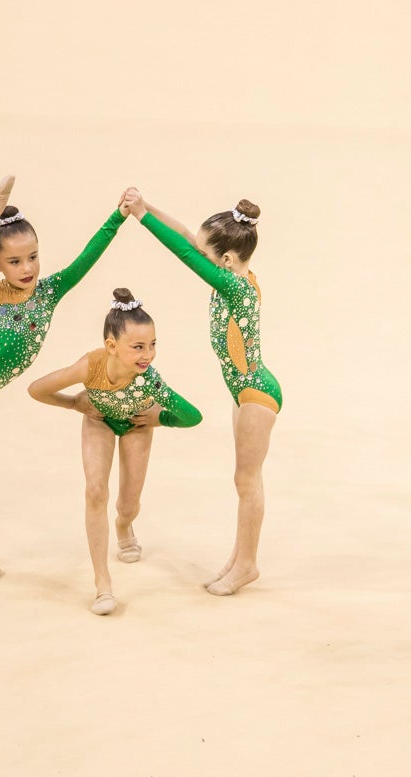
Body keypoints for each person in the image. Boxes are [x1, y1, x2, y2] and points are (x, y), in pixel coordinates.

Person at [0, 178, 127, 579]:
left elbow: (87, 258)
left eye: (33, 257)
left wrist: (118, 217)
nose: (27, 269)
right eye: (14, 262)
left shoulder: (50, 291)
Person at [122, 188, 280, 597]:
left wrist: (142, 218)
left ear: (225, 261)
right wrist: (147, 204)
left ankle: (247, 564)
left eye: (209, 259)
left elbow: (183, 254)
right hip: (242, 391)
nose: (201, 259)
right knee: (242, 479)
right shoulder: (231, 277)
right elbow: (191, 242)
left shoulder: (237, 290)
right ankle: (237, 558)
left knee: (247, 480)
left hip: (255, 394)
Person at [28, 288, 202, 615]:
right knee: (95, 492)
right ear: (111, 346)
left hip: (138, 424)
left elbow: (193, 416)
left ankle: (124, 524)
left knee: (128, 503)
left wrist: (160, 418)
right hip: (100, 422)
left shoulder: (150, 380)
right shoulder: (90, 366)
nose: (147, 354)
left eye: (152, 345)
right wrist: (76, 403)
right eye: (138, 347)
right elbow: (36, 389)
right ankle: (103, 584)